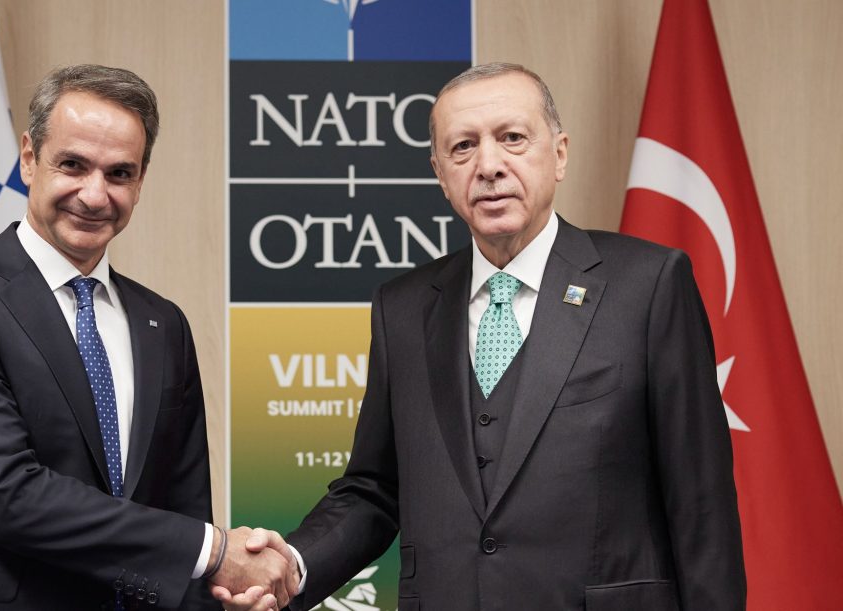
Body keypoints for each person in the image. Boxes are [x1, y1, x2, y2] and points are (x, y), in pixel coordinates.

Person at [216, 63, 746, 610]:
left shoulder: (648, 285)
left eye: (512, 138)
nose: (489, 166)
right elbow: (375, 488)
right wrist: (291, 566)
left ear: (559, 153)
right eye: (463, 147)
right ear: (440, 174)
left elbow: (700, 500)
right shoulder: (402, 307)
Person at [0, 64, 295, 610]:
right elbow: (8, 494)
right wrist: (215, 550)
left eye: (119, 173)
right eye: (73, 165)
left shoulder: (163, 323)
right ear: (29, 158)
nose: (95, 195)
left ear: (140, 182)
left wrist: (220, 595)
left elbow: (181, 511)